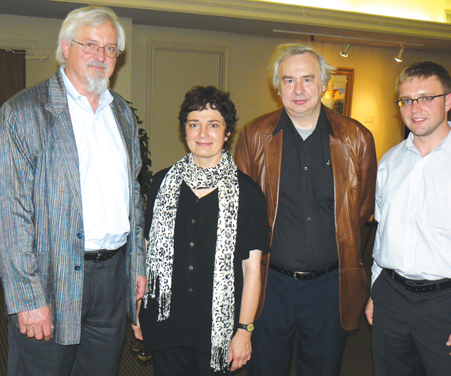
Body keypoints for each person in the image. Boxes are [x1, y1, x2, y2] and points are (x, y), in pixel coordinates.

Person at [0, 6, 146, 376]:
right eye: (90, 45)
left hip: (112, 278)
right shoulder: (25, 112)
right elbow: (10, 213)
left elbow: (134, 198)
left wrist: (137, 267)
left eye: (111, 49)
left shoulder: (123, 115)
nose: (101, 56)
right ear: (66, 47)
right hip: (51, 279)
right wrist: (27, 297)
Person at [234, 43, 377, 375]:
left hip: (330, 288)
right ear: (277, 86)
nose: (298, 90)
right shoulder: (255, 136)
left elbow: (362, 209)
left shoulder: (356, 138)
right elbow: (242, 212)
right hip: (269, 288)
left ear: (324, 84)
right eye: (288, 80)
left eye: (307, 79)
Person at [365, 61, 451, 375]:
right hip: (392, 297)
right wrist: (376, 293)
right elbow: (383, 234)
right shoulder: (390, 162)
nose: (415, 108)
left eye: (427, 98)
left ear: (448, 101)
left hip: (450, 304)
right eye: (407, 100)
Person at [132, 86, 270, 375]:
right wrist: (137, 310)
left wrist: (244, 330)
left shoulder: (248, 193)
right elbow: (144, 254)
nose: (203, 134)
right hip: (164, 322)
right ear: (184, 131)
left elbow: (252, 270)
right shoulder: (161, 184)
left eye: (214, 125)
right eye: (194, 124)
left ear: (227, 132)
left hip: (217, 329)